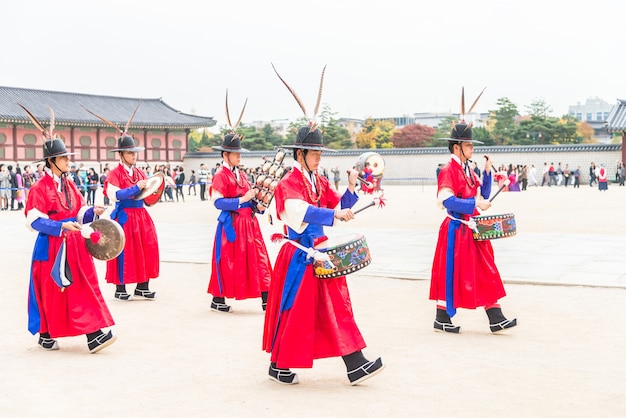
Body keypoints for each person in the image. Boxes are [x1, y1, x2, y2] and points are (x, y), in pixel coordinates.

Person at [263, 65, 384, 386]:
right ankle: (280, 364)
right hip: (301, 255)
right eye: (314, 152)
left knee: (336, 306)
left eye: (319, 152)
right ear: (300, 154)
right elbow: (301, 212)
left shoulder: (317, 180)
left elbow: (336, 206)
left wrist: (353, 187)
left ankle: (355, 363)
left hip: (321, 253)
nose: (318, 157)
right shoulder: (289, 183)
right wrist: (334, 216)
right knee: (300, 313)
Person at [20, 104, 115, 353]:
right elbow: (33, 221)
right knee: (53, 292)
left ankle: (93, 334)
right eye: (63, 158)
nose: (67, 162)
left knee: (82, 288)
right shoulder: (39, 188)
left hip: (74, 245)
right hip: (52, 247)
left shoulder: (69, 184)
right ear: (51, 161)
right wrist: (61, 226)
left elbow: (79, 211)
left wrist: (92, 211)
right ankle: (48, 333)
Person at [430, 114, 517, 334]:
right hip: (456, 229)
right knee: (451, 273)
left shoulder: (468, 168)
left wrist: (487, 171)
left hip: (472, 227)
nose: (472, 149)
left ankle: (495, 316)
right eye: (469, 145)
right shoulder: (448, 170)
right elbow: (446, 200)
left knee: (486, 268)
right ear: (457, 147)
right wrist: (474, 203)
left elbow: (483, 195)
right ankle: (442, 317)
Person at [85, 104, 160, 301]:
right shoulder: (114, 173)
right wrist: (137, 187)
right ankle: (121, 287)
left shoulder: (139, 171)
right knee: (123, 250)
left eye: (135, 152)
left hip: (141, 215)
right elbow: (115, 195)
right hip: (125, 216)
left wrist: (154, 192)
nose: (134, 155)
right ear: (120, 154)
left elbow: (147, 193)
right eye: (130, 153)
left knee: (147, 248)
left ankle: (143, 285)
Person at [207, 124, 272, 313]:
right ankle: (218, 298)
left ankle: (267, 297)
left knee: (259, 259)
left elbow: (250, 198)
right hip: (232, 224)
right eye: (235, 153)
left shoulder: (242, 174)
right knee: (228, 261)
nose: (239, 156)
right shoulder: (221, 175)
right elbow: (217, 202)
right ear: (225, 154)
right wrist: (242, 200)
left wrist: (256, 206)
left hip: (249, 223)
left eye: (239, 153)